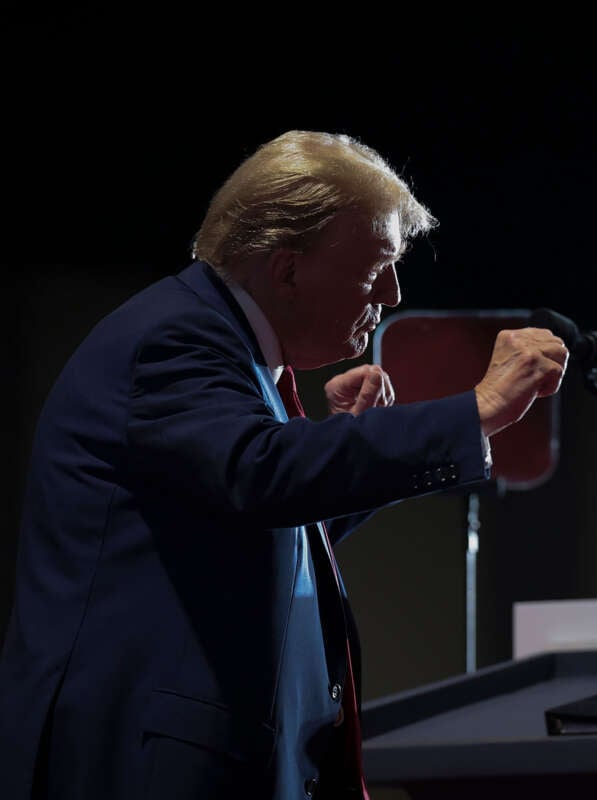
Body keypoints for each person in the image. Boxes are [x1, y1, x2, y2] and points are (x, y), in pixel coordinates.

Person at [0, 130, 568, 799]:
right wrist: (478, 409)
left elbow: (260, 512)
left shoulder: (237, 354)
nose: (391, 294)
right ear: (288, 268)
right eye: (377, 266)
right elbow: (258, 472)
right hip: (150, 767)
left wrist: (354, 440)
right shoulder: (172, 337)